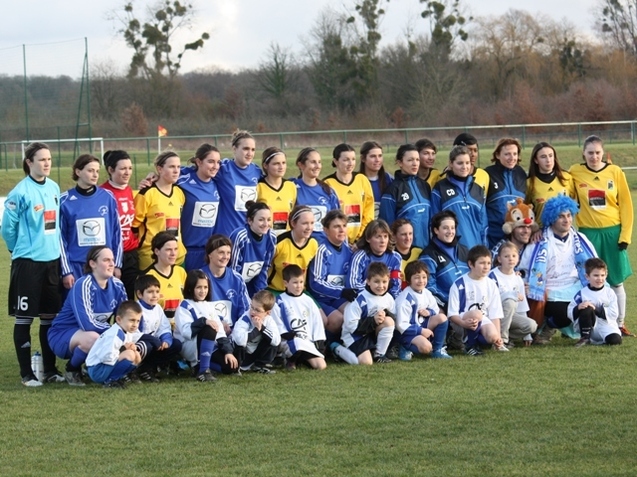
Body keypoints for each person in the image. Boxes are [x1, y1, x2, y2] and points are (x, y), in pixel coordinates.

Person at [2, 142, 65, 386]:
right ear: (29, 162)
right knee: (24, 318)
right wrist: (15, 249)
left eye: (49, 159)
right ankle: (26, 374)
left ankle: (49, 370)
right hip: (28, 264)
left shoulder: (54, 187)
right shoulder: (20, 192)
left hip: (51, 263)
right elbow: (7, 229)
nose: (47, 163)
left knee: (49, 318)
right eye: (41, 159)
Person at [569, 135, 633, 336]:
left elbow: (626, 205)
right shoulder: (575, 172)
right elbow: (569, 201)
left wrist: (625, 235)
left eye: (597, 152)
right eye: (590, 153)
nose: (594, 156)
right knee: (587, 280)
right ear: (583, 153)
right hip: (588, 234)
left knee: (615, 280)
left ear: (603, 153)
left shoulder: (615, 171)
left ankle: (619, 323)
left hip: (613, 233)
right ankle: (583, 323)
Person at [518, 196, 597, 344]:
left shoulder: (580, 239)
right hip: (549, 290)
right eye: (561, 216)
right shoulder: (537, 242)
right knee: (565, 313)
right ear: (551, 218)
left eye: (568, 215)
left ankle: (591, 333)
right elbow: (524, 269)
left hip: (574, 286)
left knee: (593, 302)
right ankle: (547, 327)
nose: (566, 220)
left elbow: (594, 264)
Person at [48, 246, 128, 386]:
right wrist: (114, 333)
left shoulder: (118, 285)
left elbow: (125, 318)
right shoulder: (83, 284)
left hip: (94, 332)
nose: (111, 264)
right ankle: (72, 369)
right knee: (92, 338)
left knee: (125, 342)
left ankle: (94, 367)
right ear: (93, 264)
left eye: (112, 260)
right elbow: (87, 324)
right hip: (63, 334)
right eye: (106, 260)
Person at [60, 154, 122, 293]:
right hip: (77, 267)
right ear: (78, 172)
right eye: (90, 170)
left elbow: (117, 233)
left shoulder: (108, 197)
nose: (95, 175)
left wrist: (116, 264)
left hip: (104, 266)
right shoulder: (64, 201)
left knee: (102, 310)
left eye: (97, 171)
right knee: (77, 311)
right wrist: (66, 271)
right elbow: (60, 240)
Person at [174, 269, 239, 381]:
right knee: (209, 328)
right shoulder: (184, 306)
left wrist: (228, 352)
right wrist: (204, 321)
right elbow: (186, 332)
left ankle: (199, 366)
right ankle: (203, 371)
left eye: (205, 287)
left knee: (230, 366)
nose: (203, 291)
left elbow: (221, 333)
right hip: (189, 345)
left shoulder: (209, 306)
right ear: (190, 288)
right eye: (199, 287)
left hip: (208, 345)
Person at [447, 245, 508, 355]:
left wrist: (498, 339)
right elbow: (452, 314)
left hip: (481, 319)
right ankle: (470, 346)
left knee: (492, 337)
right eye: (482, 263)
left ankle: (476, 341)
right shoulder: (459, 284)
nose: (486, 267)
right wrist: (463, 323)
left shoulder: (491, 284)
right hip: (461, 321)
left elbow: (495, 314)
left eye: (488, 263)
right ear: (471, 264)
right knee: (477, 314)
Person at [133, 150, 186, 270]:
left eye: (178, 167)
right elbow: (134, 226)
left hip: (177, 255)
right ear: (160, 169)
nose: (176, 170)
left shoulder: (179, 192)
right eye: (171, 167)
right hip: (152, 256)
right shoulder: (146, 193)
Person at [307, 210, 356, 336]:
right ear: (326, 230)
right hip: (322, 298)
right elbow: (315, 283)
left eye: (344, 226)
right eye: (336, 226)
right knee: (337, 320)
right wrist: (341, 291)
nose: (341, 230)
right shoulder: (321, 250)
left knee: (354, 313)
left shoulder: (350, 251)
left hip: (339, 298)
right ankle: (330, 345)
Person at [271, 265, 327, 371]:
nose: (299, 286)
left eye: (301, 282)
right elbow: (277, 325)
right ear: (285, 283)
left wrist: (319, 341)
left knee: (321, 366)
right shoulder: (279, 301)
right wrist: (288, 335)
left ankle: (300, 359)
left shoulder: (308, 300)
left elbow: (317, 322)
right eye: (295, 282)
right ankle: (290, 360)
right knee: (297, 344)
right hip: (289, 341)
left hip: (307, 341)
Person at [432, 145, 488, 250]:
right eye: (460, 163)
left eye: (467, 163)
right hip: (452, 251)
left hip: (475, 250)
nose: (464, 167)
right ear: (451, 164)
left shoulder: (478, 190)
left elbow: (483, 226)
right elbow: (434, 222)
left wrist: (484, 250)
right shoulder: (440, 188)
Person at [176, 144, 222, 271]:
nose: (215, 166)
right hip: (186, 250)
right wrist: (152, 178)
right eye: (211, 162)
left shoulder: (217, 184)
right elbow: (165, 177)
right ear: (199, 162)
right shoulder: (183, 181)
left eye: (218, 162)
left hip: (207, 251)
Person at [100, 149, 139, 299]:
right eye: (122, 168)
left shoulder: (129, 190)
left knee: (128, 300)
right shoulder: (102, 193)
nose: (127, 172)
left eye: (129, 168)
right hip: (111, 255)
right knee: (108, 300)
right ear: (110, 170)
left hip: (130, 254)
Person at [395, 261, 452, 360]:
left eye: (424, 277)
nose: (421, 281)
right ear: (408, 280)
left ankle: (438, 350)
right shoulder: (404, 299)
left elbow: (435, 309)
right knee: (426, 348)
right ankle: (404, 346)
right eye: (417, 277)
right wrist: (421, 331)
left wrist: (429, 312)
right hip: (407, 333)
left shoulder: (426, 293)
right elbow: (401, 325)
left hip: (421, 325)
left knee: (442, 317)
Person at [341, 262, 396, 364]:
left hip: (371, 333)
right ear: (368, 281)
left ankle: (379, 354)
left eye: (384, 282)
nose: (381, 286)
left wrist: (386, 314)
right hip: (354, 335)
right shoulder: (358, 299)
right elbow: (351, 326)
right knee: (366, 362)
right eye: (376, 282)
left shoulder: (388, 298)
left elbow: (394, 318)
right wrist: (373, 321)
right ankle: (337, 348)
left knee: (389, 321)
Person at [379, 144, 432, 249]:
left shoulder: (425, 186)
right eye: (410, 160)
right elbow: (388, 227)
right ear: (400, 163)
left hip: (427, 250)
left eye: (417, 160)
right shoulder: (392, 190)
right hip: (405, 252)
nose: (415, 163)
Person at [134, 274, 183, 382]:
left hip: (155, 344)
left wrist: (166, 339)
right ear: (139, 294)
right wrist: (153, 340)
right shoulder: (136, 309)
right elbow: (133, 334)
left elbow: (164, 327)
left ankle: (148, 369)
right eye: (150, 292)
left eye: (157, 291)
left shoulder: (157, 308)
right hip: (140, 345)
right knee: (147, 345)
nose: (155, 295)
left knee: (176, 344)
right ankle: (133, 370)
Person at [488, 242, 537, 348]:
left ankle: (507, 337)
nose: (511, 259)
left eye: (514, 256)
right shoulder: (492, 276)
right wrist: (511, 295)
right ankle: (501, 341)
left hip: (511, 315)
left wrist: (527, 335)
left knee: (532, 325)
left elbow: (522, 307)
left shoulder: (518, 278)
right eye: (506, 256)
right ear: (499, 259)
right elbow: (491, 302)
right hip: (493, 315)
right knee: (510, 301)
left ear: (518, 259)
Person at [214, 130, 262, 237]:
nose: (250, 153)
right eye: (245, 149)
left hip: (248, 237)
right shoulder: (223, 169)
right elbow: (201, 170)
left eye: (253, 150)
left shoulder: (257, 171)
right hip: (227, 236)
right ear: (235, 149)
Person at [325, 143, 375, 244]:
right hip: (337, 241)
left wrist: (361, 238)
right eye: (346, 160)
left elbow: (368, 211)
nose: (350, 163)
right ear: (336, 161)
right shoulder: (327, 184)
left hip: (360, 240)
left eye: (353, 159)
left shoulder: (362, 180)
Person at [85, 301, 143, 388]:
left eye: (138, 321)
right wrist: (124, 350)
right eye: (132, 320)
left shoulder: (127, 331)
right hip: (97, 370)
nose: (135, 325)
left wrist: (131, 348)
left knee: (136, 355)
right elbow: (106, 356)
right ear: (119, 319)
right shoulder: (114, 334)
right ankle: (110, 380)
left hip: (105, 366)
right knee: (130, 354)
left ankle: (117, 378)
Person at [567, 258, 622, 347]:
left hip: (606, 326)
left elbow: (613, 313)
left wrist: (595, 309)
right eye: (596, 275)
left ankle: (603, 339)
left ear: (606, 275)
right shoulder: (582, 293)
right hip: (590, 328)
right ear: (587, 277)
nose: (599, 279)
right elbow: (569, 312)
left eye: (602, 275)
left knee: (615, 340)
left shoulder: (610, 293)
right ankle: (585, 338)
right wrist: (578, 308)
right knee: (587, 307)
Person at [201, 234, 251, 332]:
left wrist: (239, 329)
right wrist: (219, 322)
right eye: (221, 253)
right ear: (209, 254)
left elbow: (245, 309)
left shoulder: (237, 278)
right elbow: (197, 309)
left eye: (228, 253)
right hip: (210, 330)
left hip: (235, 331)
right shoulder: (200, 277)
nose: (225, 257)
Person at [484, 138, 528, 248]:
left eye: (515, 154)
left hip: (517, 239)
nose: (512, 158)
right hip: (494, 238)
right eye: (507, 154)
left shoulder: (521, 173)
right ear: (498, 155)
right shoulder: (488, 174)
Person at [229, 201, 277, 297]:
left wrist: (260, 293)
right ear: (250, 221)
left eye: (268, 219)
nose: (266, 224)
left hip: (252, 285)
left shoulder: (271, 237)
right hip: (234, 287)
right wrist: (241, 294)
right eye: (261, 220)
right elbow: (233, 269)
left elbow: (265, 267)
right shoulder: (240, 236)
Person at [268, 206, 319, 292]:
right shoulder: (279, 243)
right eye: (305, 223)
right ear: (293, 223)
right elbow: (265, 267)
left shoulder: (313, 244)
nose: (309, 227)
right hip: (276, 290)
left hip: (300, 291)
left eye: (312, 223)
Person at [292, 147, 340, 238]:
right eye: (313, 162)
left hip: (324, 244)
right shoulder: (292, 188)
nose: (318, 166)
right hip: (301, 246)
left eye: (319, 162)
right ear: (301, 165)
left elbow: (337, 221)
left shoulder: (328, 191)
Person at [348, 219, 403, 298]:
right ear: (368, 239)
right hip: (364, 299)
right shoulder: (360, 257)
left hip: (388, 300)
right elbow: (353, 285)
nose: (383, 241)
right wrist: (375, 297)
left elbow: (396, 287)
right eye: (378, 237)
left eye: (385, 236)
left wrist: (385, 300)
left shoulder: (395, 258)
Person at [525, 141, 575, 228]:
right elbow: (526, 211)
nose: (548, 160)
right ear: (536, 160)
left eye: (551, 156)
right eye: (543, 157)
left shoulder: (566, 178)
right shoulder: (529, 183)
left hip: (564, 231)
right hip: (541, 233)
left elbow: (573, 203)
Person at [140, 231, 187, 323]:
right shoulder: (147, 276)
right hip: (158, 329)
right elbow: (143, 310)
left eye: (176, 249)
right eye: (168, 250)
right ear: (157, 251)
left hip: (181, 328)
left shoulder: (180, 272)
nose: (173, 253)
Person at [231, 290, 281, 374]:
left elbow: (276, 341)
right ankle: (237, 368)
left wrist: (262, 328)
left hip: (255, 352)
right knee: (239, 344)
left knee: (272, 342)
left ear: (267, 313)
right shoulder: (245, 318)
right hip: (242, 354)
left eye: (257, 310)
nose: (253, 312)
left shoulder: (269, 320)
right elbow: (239, 341)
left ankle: (259, 365)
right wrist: (256, 330)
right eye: (252, 307)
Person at [257, 146, 297, 235]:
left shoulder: (290, 186)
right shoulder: (259, 187)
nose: (281, 167)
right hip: (265, 238)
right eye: (276, 164)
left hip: (285, 238)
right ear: (265, 165)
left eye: (283, 163)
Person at [359, 141, 392, 218]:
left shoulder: (389, 180)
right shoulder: (357, 181)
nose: (377, 160)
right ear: (363, 159)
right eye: (373, 156)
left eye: (380, 156)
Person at [391, 219, 422, 289]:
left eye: (410, 233)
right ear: (393, 236)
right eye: (403, 234)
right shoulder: (390, 257)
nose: (408, 238)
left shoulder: (419, 252)